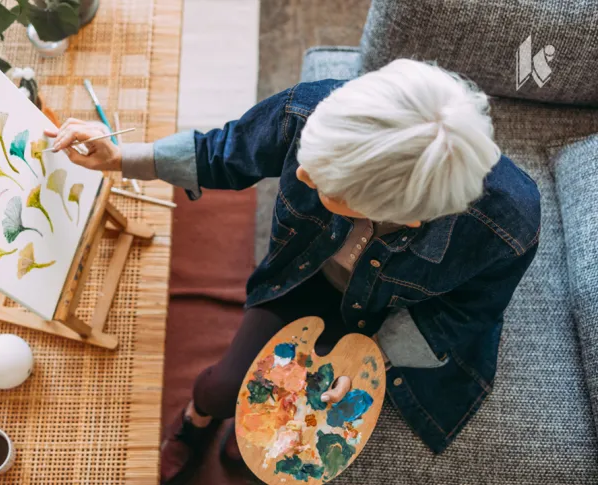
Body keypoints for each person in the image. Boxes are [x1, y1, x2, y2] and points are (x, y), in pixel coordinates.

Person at [44, 59, 541, 484]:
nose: (299, 175)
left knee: (293, 421)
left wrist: (368, 360)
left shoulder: (508, 224)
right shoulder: (315, 109)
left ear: (406, 215)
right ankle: (198, 419)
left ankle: (247, 435)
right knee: (221, 389)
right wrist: (124, 158)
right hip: (300, 278)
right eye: (309, 158)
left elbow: (466, 315)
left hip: (390, 316)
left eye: (328, 186)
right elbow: (227, 150)